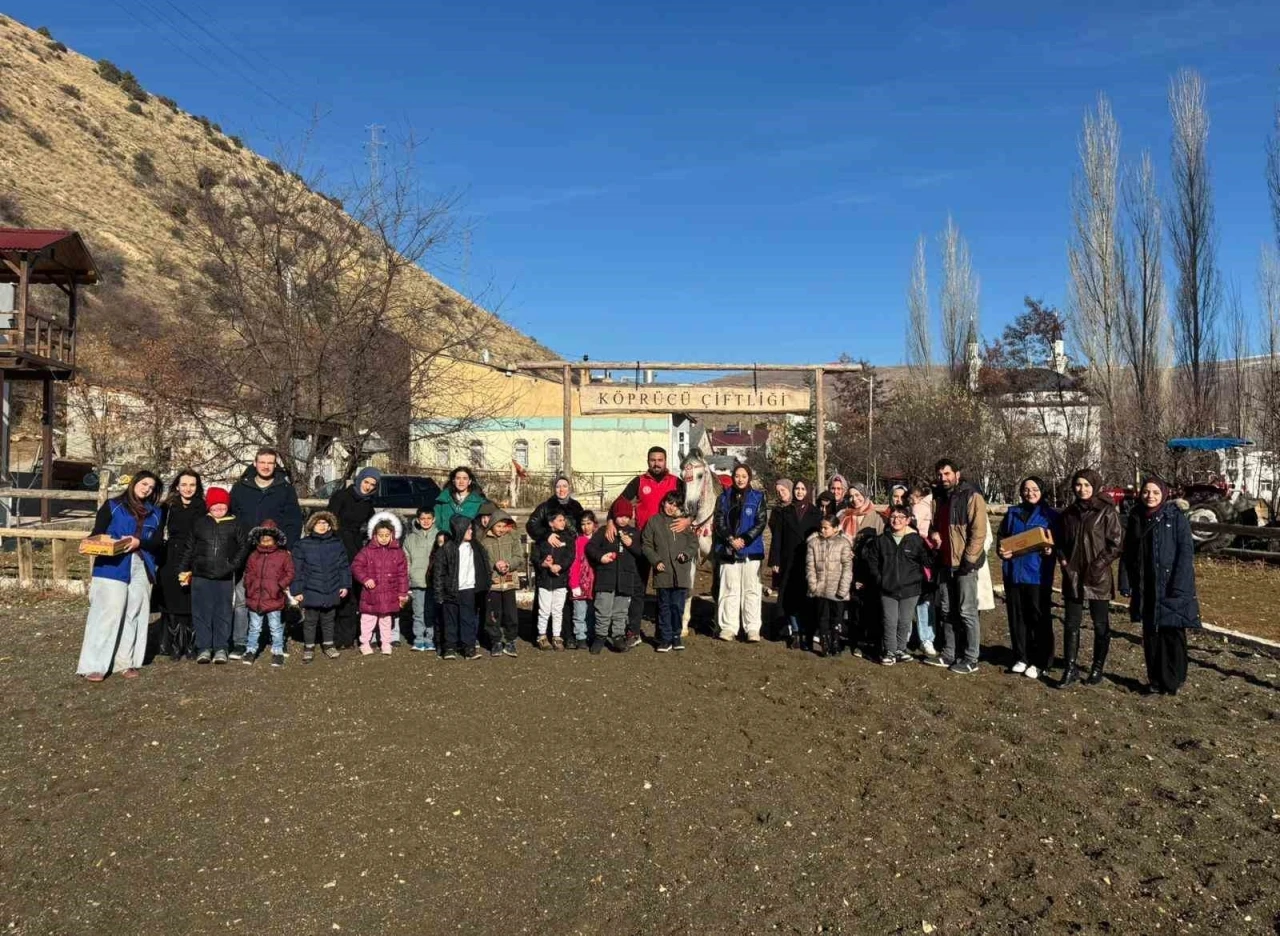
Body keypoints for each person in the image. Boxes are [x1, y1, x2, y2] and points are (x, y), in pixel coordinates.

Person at [76, 472, 164, 682]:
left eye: (151, 488)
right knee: (108, 613)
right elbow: (97, 532)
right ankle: (95, 665)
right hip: (112, 566)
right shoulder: (113, 505)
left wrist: (139, 543)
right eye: (144, 484)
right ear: (134, 483)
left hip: (142, 565)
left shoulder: (156, 513)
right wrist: (87, 544)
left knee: (134, 613)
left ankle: (126, 661)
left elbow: (158, 542)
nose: (146, 489)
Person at [1121, 477, 1201, 695]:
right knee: (1151, 634)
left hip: (1170, 585)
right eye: (1146, 492)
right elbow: (1128, 552)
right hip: (1146, 586)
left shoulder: (1175, 518)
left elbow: (1185, 553)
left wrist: (1180, 584)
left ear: (1164, 494)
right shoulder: (1137, 518)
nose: (1150, 496)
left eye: (1155, 492)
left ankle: (1173, 680)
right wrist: (1126, 581)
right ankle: (1155, 680)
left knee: (1172, 633)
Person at [229, 449, 304, 657]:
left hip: (275, 552)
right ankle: (241, 641)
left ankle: (277, 639)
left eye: (270, 463)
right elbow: (232, 517)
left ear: (275, 465)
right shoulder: (240, 488)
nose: (265, 466)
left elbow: (294, 520)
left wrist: (288, 547)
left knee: (276, 596)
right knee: (243, 596)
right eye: (262, 462)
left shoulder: (285, 489)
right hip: (247, 550)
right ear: (255, 463)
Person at [1057, 468, 1123, 688]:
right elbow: (1060, 542)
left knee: (1100, 624)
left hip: (1098, 576)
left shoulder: (1106, 511)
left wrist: (1098, 565)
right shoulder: (1068, 514)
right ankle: (1070, 668)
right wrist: (1064, 561)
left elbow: (1115, 544)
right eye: (1078, 484)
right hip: (1073, 574)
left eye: (1086, 485)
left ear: (1094, 486)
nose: (1082, 489)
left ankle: (1097, 668)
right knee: (1071, 624)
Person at [922, 458, 988, 675]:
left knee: (967, 611)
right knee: (947, 610)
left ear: (957, 474)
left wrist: (969, 560)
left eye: (947, 474)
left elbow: (978, 532)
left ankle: (971, 656)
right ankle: (949, 652)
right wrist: (933, 534)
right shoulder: (938, 499)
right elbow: (934, 526)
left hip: (963, 564)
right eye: (940, 474)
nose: (943, 478)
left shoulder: (971, 496)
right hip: (944, 562)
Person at [178, 486, 249, 665]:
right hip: (201, 574)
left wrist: (232, 565)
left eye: (222, 506)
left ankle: (221, 647)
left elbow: (243, 548)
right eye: (215, 506)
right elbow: (189, 548)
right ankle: (204, 647)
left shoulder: (235, 523)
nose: (219, 509)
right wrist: (183, 568)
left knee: (223, 612)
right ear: (209, 506)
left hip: (224, 576)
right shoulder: (200, 523)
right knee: (201, 611)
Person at [997, 476, 1059, 681]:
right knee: (1017, 617)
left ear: (1042, 491)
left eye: (1034, 489)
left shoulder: (1049, 515)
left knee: (1038, 618)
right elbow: (1002, 538)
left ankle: (1041, 661)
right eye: (1025, 489)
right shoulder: (1013, 513)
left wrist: (1051, 550)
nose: (1030, 493)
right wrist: (1001, 550)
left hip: (1037, 574)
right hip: (1014, 573)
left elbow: (1058, 542)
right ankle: (1021, 656)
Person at [867, 505, 930, 665]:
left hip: (910, 588)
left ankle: (901, 649)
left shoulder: (916, 540)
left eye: (901, 517)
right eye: (893, 517)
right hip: (887, 588)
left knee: (904, 620)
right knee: (890, 620)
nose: (896, 520)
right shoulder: (882, 540)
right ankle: (889, 650)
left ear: (908, 520)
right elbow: (873, 562)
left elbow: (927, 560)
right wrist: (879, 579)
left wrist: (933, 546)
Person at [327, 467, 381, 650]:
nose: (368, 487)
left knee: (352, 592)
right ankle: (332, 635)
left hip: (357, 546)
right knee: (337, 590)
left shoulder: (368, 503)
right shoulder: (341, 496)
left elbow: (373, 524)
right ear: (360, 480)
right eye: (366, 482)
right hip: (337, 545)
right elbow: (330, 519)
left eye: (372, 485)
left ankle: (348, 636)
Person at [714, 464, 768, 642]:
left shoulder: (758, 497)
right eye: (737, 475)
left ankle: (752, 628)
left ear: (749, 477)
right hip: (728, 549)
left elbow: (760, 522)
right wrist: (730, 539)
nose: (740, 479)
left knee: (751, 590)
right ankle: (728, 627)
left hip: (750, 550)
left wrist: (744, 539)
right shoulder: (723, 498)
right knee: (729, 589)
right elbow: (719, 521)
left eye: (744, 476)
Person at [586, 497, 645, 654]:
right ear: (614, 516)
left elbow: (641, 553)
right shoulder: (604, 531)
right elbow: (590, 548)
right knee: (602, 609)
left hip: (625, 579)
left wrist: (630, 544)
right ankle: (600, 636)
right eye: (620, 516)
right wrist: (601, 557)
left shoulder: (634, 533)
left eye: (627, 516)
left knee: (621, 611)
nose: (624, 519)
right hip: (606, 578)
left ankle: (618, 636)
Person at [156, 470, 204, 661]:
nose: (188, 489)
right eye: (184, 484)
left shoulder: (203, 507)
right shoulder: (167, 507)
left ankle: (192, 644)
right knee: (172, 599)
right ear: (177, 486)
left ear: (197, 487)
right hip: (172, 555)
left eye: (192, 485)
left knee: (191, 599)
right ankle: (174, 645)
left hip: (195, 554)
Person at [289, 510, 350, 663]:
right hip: (311, 588)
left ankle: (328, 645)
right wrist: (297, 590)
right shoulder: (302, 545)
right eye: (318, 523)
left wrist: (344, 584)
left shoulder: (337, 544)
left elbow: (344, 566)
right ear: (312, 525)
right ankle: (309, 647)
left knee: (329, 619)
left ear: (330, 526)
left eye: (325, 523)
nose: (322, 526)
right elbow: (297, 569)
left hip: (332, 586)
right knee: (310, 620)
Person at [643, 491, 698, 652]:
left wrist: (686, 554)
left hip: (681, 573)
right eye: (669, 503)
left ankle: (676, 636)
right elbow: (646, 544)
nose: (671, 507)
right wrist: (656, 560)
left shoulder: (683, 523)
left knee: (678, 607)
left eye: (675, 505)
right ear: (663, 503)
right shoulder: (654, 522)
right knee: (664, 607)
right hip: (663, 573)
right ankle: (665, 639)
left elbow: (693, 543)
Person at [768, 479, 821, 648]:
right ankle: (795, 631)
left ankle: (807, 631)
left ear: (808, 491)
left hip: (808, 560)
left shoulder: (816, 513)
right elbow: (777, 537)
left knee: (805, 597)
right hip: (788, 560)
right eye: (797, 489)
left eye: (802, 489)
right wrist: (775, 559)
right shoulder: (786, 512)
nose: (799, 492)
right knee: (789, 597)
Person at [349, 512, 410, 656]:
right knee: (367, 619)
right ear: (375, 535)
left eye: (386, 535)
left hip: (389, 592)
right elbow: (356, 566)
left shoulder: (397, 553)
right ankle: (365, 643)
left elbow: (402, 575)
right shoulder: (367, 551)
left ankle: (386, 643)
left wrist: (402, 593)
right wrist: (365, 579)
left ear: (392, 535)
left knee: (386, 620)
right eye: (380, 535)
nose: (383, 538)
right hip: (371, 593)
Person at [838, 482, 884, 656]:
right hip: (848, 566)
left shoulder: (876, 517)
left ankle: (868, 640)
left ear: (865, 495)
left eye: (858, 495)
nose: (854, 499)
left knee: (867, 605)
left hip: (867, 568)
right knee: (851, 605)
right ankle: (852, 638)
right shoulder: (845, 516)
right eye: (851, 496)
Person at [241, 521, 295, 666]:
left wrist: (280, 585)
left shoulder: (283, 555)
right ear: (258, 539)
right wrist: (249, 584)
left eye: (269, 538)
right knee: (254, 627)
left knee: (275, 627)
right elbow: (248, 572)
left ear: (275, 539)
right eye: (263, 538)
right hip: (255, 597)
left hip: (274, 597)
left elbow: (290, 573)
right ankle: (250, 650)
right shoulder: (253, 555)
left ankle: (277, 651)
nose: (266, 541)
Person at [806, 513, 853, 657]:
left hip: (837, 589)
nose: (823, 531)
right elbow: (810, 566)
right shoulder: (813, 543)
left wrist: (843, 589)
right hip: (820, 589)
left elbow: (847, 567)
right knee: (822, 618)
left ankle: (836, 643)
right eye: (821, 527)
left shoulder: (843, 544)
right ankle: (825, 644)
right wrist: (813, 586)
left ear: (836, 528)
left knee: (836, 619)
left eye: (826, 528)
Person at [482, 508, 523, 657]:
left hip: (509, 582)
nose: (501, 529)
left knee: (511, 614)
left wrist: (508, 563)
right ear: (492, 525)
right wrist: (495, 564)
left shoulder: (512, 538)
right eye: (498, 526)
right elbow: (484, 560)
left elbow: (519, 557)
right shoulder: (485, 541)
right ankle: (495, 641)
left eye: (504, 526)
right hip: (493, 583)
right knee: (493, 614)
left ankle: (511, 640)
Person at [533, 509, 574, 650]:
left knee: (558, 610)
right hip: (544, 580)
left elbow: (570, 556)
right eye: (560, 520)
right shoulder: (541, 540)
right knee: (544, 610)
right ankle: (542, 635)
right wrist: (543, 564)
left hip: (560, 580)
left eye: (564, 520)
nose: (563, 523)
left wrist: (560, 566)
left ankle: (557, 636)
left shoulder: (568, 538)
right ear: (551, 523)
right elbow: (535, 557)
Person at [402, 505, 439, 654]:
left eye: (428, 518)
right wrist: (408, 577)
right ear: (418, 520)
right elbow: (406, 560)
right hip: (417, 581)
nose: (425, 521)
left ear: (434, 519)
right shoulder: (410, 538)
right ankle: (418, 639)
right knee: (418, 612)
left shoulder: (438, 536)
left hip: (433, 581)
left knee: (431, 611)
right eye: (422, 518)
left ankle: (430, 638)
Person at [907, 482, 938, 658]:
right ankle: (911, 636)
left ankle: (925, 637)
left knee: (924, 599)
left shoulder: (921, 507)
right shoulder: (930, 504)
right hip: (918, 554)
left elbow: (918, 527)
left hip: (924, 552)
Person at [568, 511, 598, 650]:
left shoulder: (599, 540)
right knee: (579, 612)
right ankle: (580, 637)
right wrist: (573, 584)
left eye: (588, 523)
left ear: (594, 524)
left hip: (594, 583)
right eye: (583, 524)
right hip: (580, 582)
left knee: (592, 611)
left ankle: (591, 634)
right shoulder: (579, 541)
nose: (586, 527)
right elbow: (575, 564)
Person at [431, 466, 487, 537]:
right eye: (458, 478)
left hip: (468, 542)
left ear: (469, 481)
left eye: (465, 478)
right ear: (453, 481)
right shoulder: (443, 501)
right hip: (447, 541)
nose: (461, 482)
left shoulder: (479, 502)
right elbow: (435, 522)